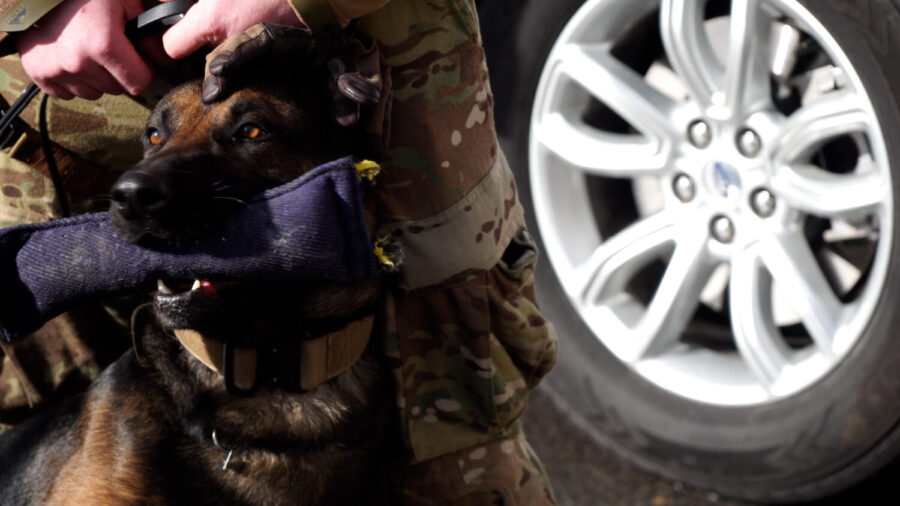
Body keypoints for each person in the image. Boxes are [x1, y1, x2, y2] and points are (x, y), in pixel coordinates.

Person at [0, 1, 559, 503]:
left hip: (393, 79)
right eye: (157, 142)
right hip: (66, 116)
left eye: (250, 133)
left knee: (457, 461)